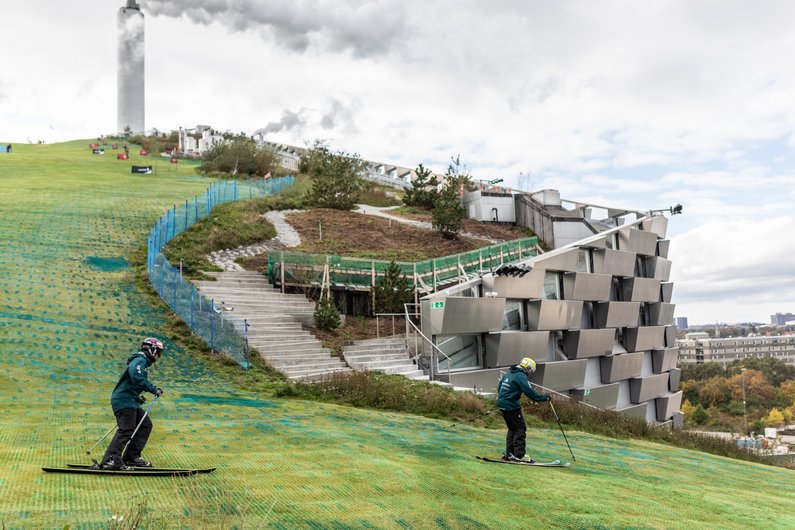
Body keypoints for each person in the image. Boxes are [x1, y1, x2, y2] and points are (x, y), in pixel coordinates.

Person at [96, 338, 165, 470]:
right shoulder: (140, 360)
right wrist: (153, 389)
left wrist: (137, 397)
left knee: (145, 425)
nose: (158, 356)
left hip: (130, 400)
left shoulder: (142, 361)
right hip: (124, 401)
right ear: (151, 350)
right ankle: (110, 460)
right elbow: (136, 376)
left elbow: (131, 383)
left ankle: (131, 457)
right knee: (126, 430)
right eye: (158, 352)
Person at [496, 357, 550, 462]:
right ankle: (519, 456)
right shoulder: (521, 375)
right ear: (528, 368)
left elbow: (499, 387)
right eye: (531, 371)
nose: (530, 373)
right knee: (520, 429)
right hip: (511, 406)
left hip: (502, 403)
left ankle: (510, 454)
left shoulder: (510, 372)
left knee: (512, 429)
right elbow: (529, 392)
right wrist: (544, 398)